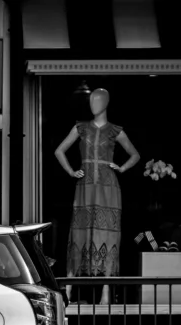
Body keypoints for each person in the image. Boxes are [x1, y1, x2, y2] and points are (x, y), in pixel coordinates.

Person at [54, 88, 139, 305]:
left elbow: (135, 155)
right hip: (85, 186)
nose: (94, 104)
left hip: (108, 186)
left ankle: (106, 294)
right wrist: (72, 171)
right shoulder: (80, 128)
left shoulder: (115, 131)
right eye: (91, 100)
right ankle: (70, 291)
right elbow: (59, 151)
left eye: (98, 100)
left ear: (106, 102)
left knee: (108, 235)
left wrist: (121, 168)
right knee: (79, 233)